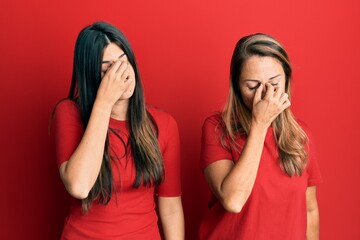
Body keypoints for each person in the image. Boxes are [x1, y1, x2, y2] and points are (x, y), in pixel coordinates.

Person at [50, 21, 184, 239]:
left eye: (124, 61)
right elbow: (79, 186)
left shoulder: (164, 124)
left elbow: (170, 207)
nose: (123, 73)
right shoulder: (69, 113)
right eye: (108, 68)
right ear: (91, 76)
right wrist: (104, 103)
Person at [199, 33, 322, 240]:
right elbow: (233, 201)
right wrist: (260, 123)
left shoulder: (301, 135)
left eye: (274, 81)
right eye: (253, 86)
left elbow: (310, 210)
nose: (265, 93)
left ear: (287, 79)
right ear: (237, 88)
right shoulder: (217, 129)